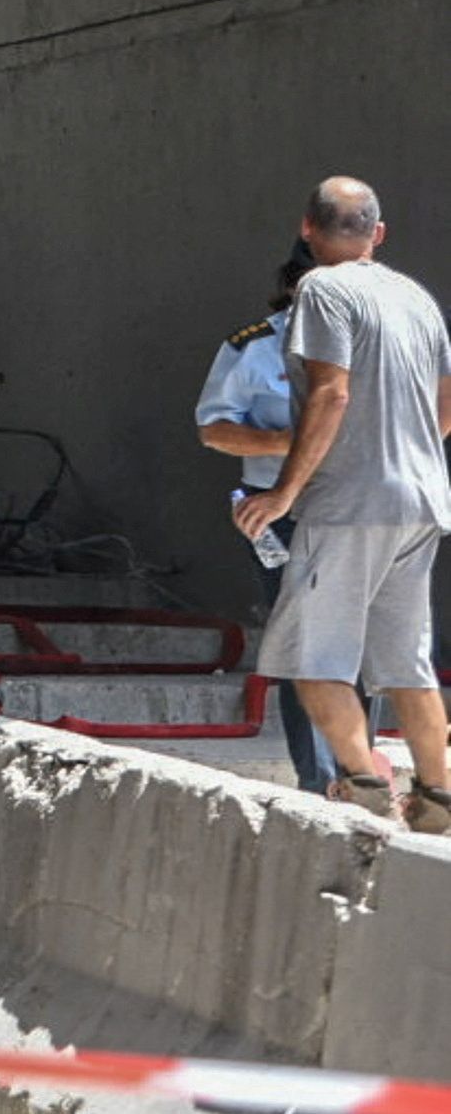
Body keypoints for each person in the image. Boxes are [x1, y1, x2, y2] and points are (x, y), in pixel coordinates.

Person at [234, 178, 451, 828]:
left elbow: (329, 394)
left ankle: (361, 784)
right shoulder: (415, 297)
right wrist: (403, 454)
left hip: (350, 504)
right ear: (377, 233)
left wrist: (283, 491)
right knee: (406, 664)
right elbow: (445, 407)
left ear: (307, 229)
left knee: (311, 659)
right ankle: (437, 798)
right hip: (421, 501)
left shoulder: (321, 290)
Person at [194, 254, 340, 790]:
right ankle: (319, 780)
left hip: (354, 508)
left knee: (357, 646)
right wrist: (290, 442)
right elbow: (214, 430)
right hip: (277, 510)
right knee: (306, 645)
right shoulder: (254, 347)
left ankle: (357, 774)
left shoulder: (373, 342)